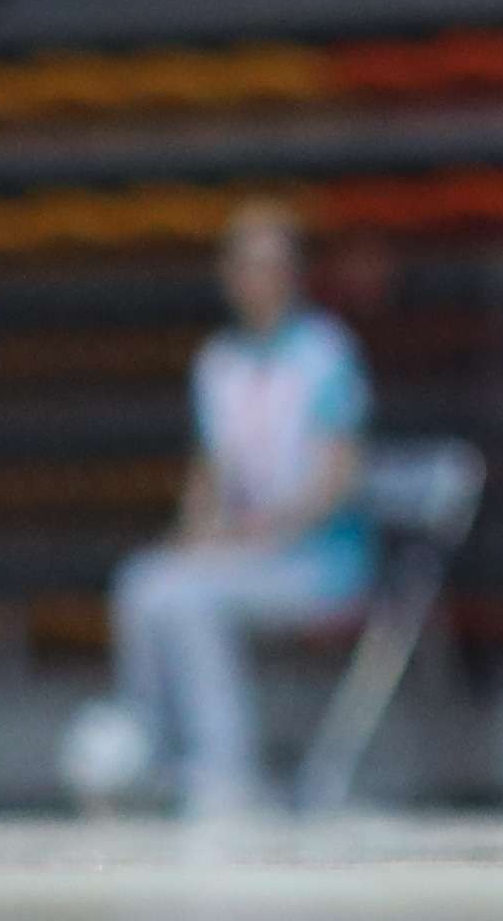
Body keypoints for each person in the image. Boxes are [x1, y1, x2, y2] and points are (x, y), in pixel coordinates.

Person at [96, 199, 374, 817]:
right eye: (247, 264)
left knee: (190, 600)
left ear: (293, 273)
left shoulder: (325, 353)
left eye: (272, 264)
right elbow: (210, 478)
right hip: (243, 554)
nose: (259, 278)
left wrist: (262, 532)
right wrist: (196, 538)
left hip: (316, 562)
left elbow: (338, 478)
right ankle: (153, 754)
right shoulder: (217, 363)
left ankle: (224, 768)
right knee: (144, 583)